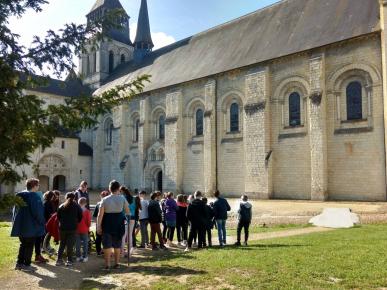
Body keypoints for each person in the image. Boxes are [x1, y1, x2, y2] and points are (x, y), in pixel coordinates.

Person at [11, 178, 45, 272]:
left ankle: (19, 263)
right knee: (29, 245)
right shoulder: (34, 196)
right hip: (31, 226)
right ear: (34, 186)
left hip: (20, 225)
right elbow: (38, 213)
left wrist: (15, 223)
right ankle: (27, 264)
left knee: (23, 244)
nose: (38, 187)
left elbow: (14, 211)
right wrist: (42, 222)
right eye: (38, 185)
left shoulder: (18, 195)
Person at [97, 181, 129, 271]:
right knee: (117, 245)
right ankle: (117, 263)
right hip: (118, 223)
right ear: (118, 188)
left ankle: (107, 265)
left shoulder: (105, 199)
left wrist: (98, 226)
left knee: (107, 245)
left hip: (107, 223)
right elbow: (127, 211)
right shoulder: (122, 198)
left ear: (109, 188)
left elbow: (100, 215)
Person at [56, 192, 83, 267]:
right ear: (74, 198)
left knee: (62, 244)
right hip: (72, 228)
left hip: (62, 228)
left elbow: (58, 217)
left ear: (65, 197)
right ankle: (69, 260)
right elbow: (80, 216)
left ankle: (59, 260)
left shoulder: (61, 206)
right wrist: (76, 222)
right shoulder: (77, 206)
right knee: (70, 245)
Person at [120, 186, 135, 257]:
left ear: (122, 191)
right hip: (132, 217)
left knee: (123, 235)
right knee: (130, 235)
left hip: (125, 217)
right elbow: (134, 208)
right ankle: (129, 252)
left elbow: (122, 209)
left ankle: (122, 253)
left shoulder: (123, 198)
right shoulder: (133, 198)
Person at [93, 190, 109, 256]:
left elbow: (95, 215)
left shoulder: (98, 204)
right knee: (105, 237)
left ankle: (99, 251)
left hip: (99, 222)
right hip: (106, 222)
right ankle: (104, 251)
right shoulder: (108, 204)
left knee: (99, 237)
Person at [76, 197, 91, 262]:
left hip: (77, 229)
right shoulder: (87, 211)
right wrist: (88, 227)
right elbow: (88, 222)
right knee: (85, 243)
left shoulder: (76, 210)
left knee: (77, 244)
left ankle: (78, 256)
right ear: (85, 203)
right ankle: (85, 257)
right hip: (84, 229)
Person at [42, 191, 57, 255]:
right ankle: (43, 247)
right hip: (47, 221)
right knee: (46, 234)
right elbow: (49, 213)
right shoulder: (46, 203)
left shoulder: (51, 202)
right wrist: (54, 215)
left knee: (49, 234)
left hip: (50, 220)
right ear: (50, 196)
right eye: (53, 196)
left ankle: (47, 246)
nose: (53, 197)